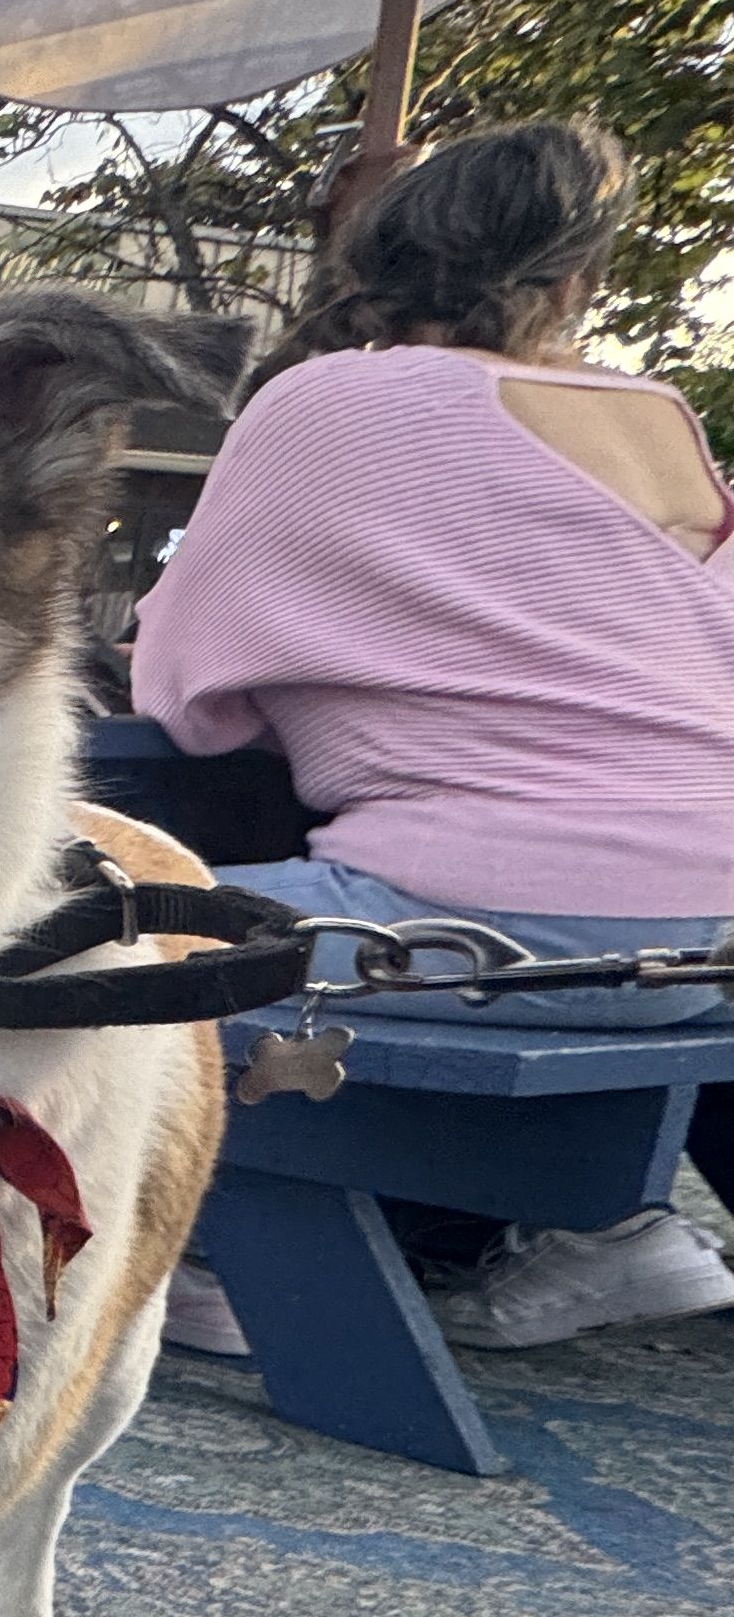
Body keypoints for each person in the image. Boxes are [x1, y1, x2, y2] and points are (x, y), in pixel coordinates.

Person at [133, 119, 734, 1351]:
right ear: (576, 282)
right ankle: (607, 1228)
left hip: (513, 917)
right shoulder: (651, 414)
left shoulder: (325, 402)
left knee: (82, 943)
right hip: (711, 926)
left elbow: (183, 696)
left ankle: (219, 1263)